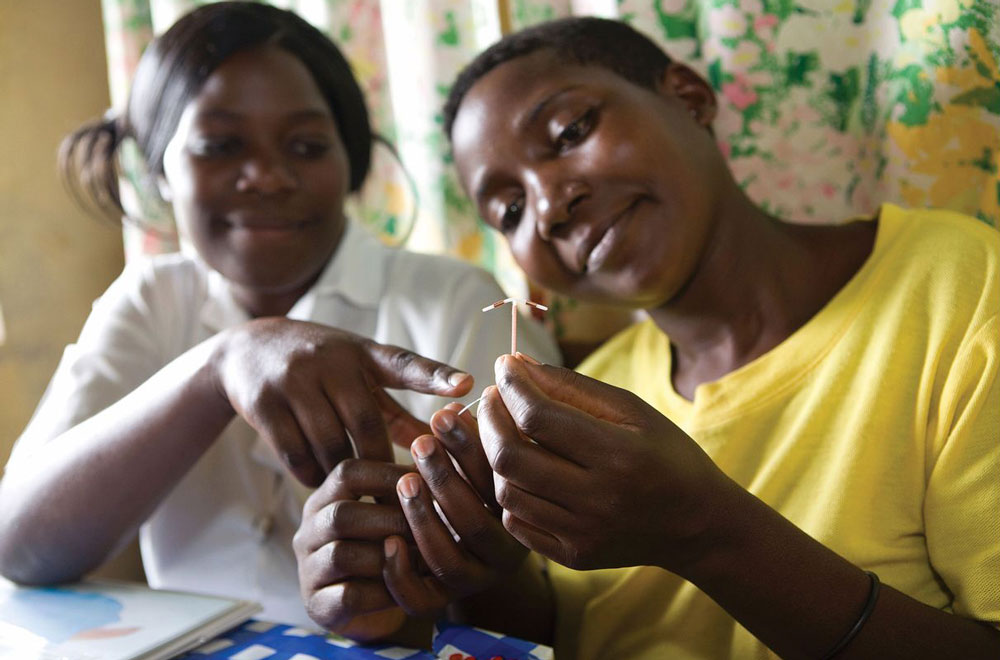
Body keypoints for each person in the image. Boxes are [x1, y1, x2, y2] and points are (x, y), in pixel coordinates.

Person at [294, 16, 1000, 659]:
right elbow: (589, 630)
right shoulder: (597, 390)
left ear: (689, 98)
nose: (549, 206)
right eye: (509, 210)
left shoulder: (963, 291)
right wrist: (471, 572)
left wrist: (707, 531)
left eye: (570, 133)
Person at [0, 1, 558, 627]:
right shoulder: (150, 302)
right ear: (159, 170)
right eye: (219, 144)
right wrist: (218, 367)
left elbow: (536, 602)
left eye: (306, 145)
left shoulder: (458, 303)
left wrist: (415, 599)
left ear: (353, 165)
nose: (266, 176)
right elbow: (17, 545)